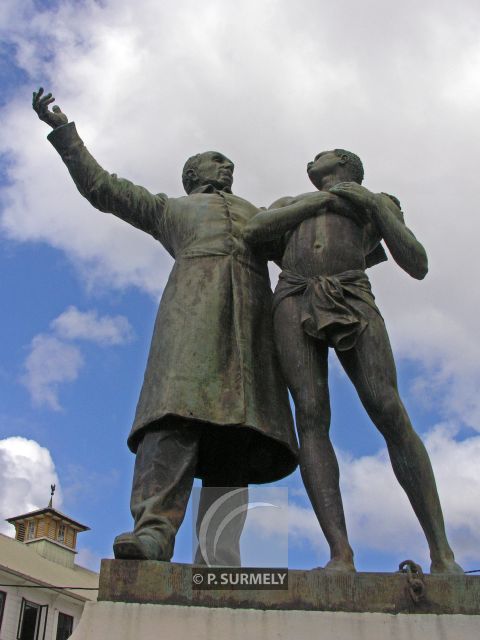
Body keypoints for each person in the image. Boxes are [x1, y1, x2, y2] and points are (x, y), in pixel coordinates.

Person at [32, 88, 297, 564]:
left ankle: (219, 552)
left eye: (229, 164)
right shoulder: (172, 209)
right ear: (193, 174)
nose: (227, 168)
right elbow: (104, 188)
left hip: (252, 330)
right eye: (217, 162)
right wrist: (64, 134)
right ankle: (153, 532)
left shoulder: (259, 214)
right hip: (191, 319)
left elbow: (303, 250)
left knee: (235, 437)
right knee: (172, 419)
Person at [243, 149, 463, 574]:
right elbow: (255, 231)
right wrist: (322, 200)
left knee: (388, 407)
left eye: (319, 155)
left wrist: (375, 206)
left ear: (343, 160)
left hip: (352, 293)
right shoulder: (291, 204)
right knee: (310, 413)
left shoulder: (376, 201)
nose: (309, 159)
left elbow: (416, 263)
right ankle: (340, 553)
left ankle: (443, 553)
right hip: (293, 296)